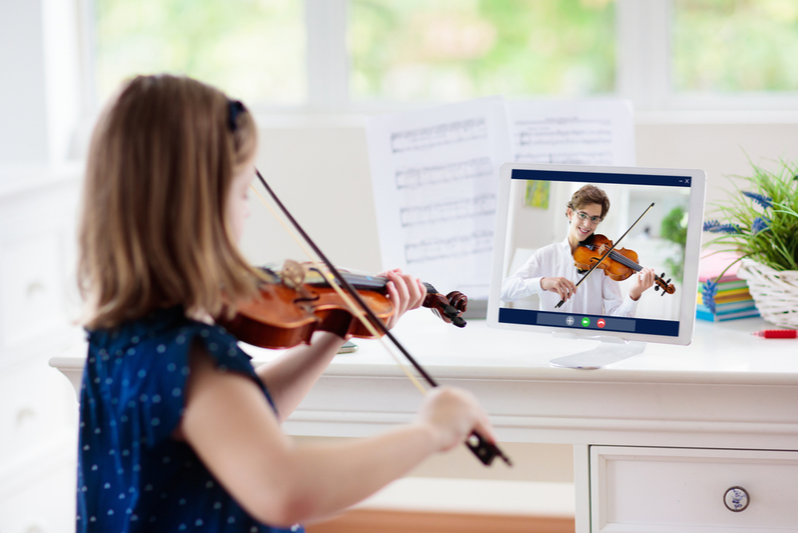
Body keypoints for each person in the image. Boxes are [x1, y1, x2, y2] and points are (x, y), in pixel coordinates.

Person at [75, 74, 496, 533]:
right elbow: (286, 489)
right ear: (195, 207)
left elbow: (242, 416)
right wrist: (429, 432)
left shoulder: (124, 335)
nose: (249, 209)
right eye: (240, 193)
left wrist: (337, 325)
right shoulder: (190, 354)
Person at [500, 184, 655, 316]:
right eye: (582, 215)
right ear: (570, 213)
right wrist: (542, 282)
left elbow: (617, 318)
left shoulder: (605, 263)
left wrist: (634, 295)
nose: (587, 224)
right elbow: (505, 292)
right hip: (550, 338)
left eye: (595, 218)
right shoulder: (546, 255)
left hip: (589, 338)